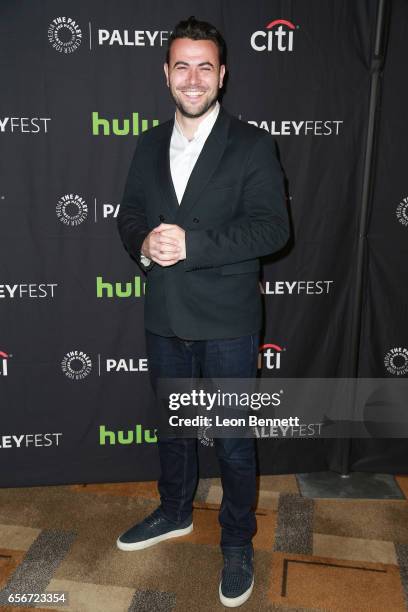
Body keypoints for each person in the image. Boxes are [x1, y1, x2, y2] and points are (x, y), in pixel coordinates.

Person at [116, 15, 289, 608]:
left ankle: (236, 540)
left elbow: (274, 228)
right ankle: (174, 512)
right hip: (164, 313)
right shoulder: (145, 142)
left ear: (223, 75)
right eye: (182, 66)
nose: (194, 78)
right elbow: (129, 215)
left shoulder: (251, 143)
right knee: (174, 429)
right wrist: (142, 244)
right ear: (166, 74)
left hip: (227, 322)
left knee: (235, 442)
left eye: (205, 67)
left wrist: (195, 245)